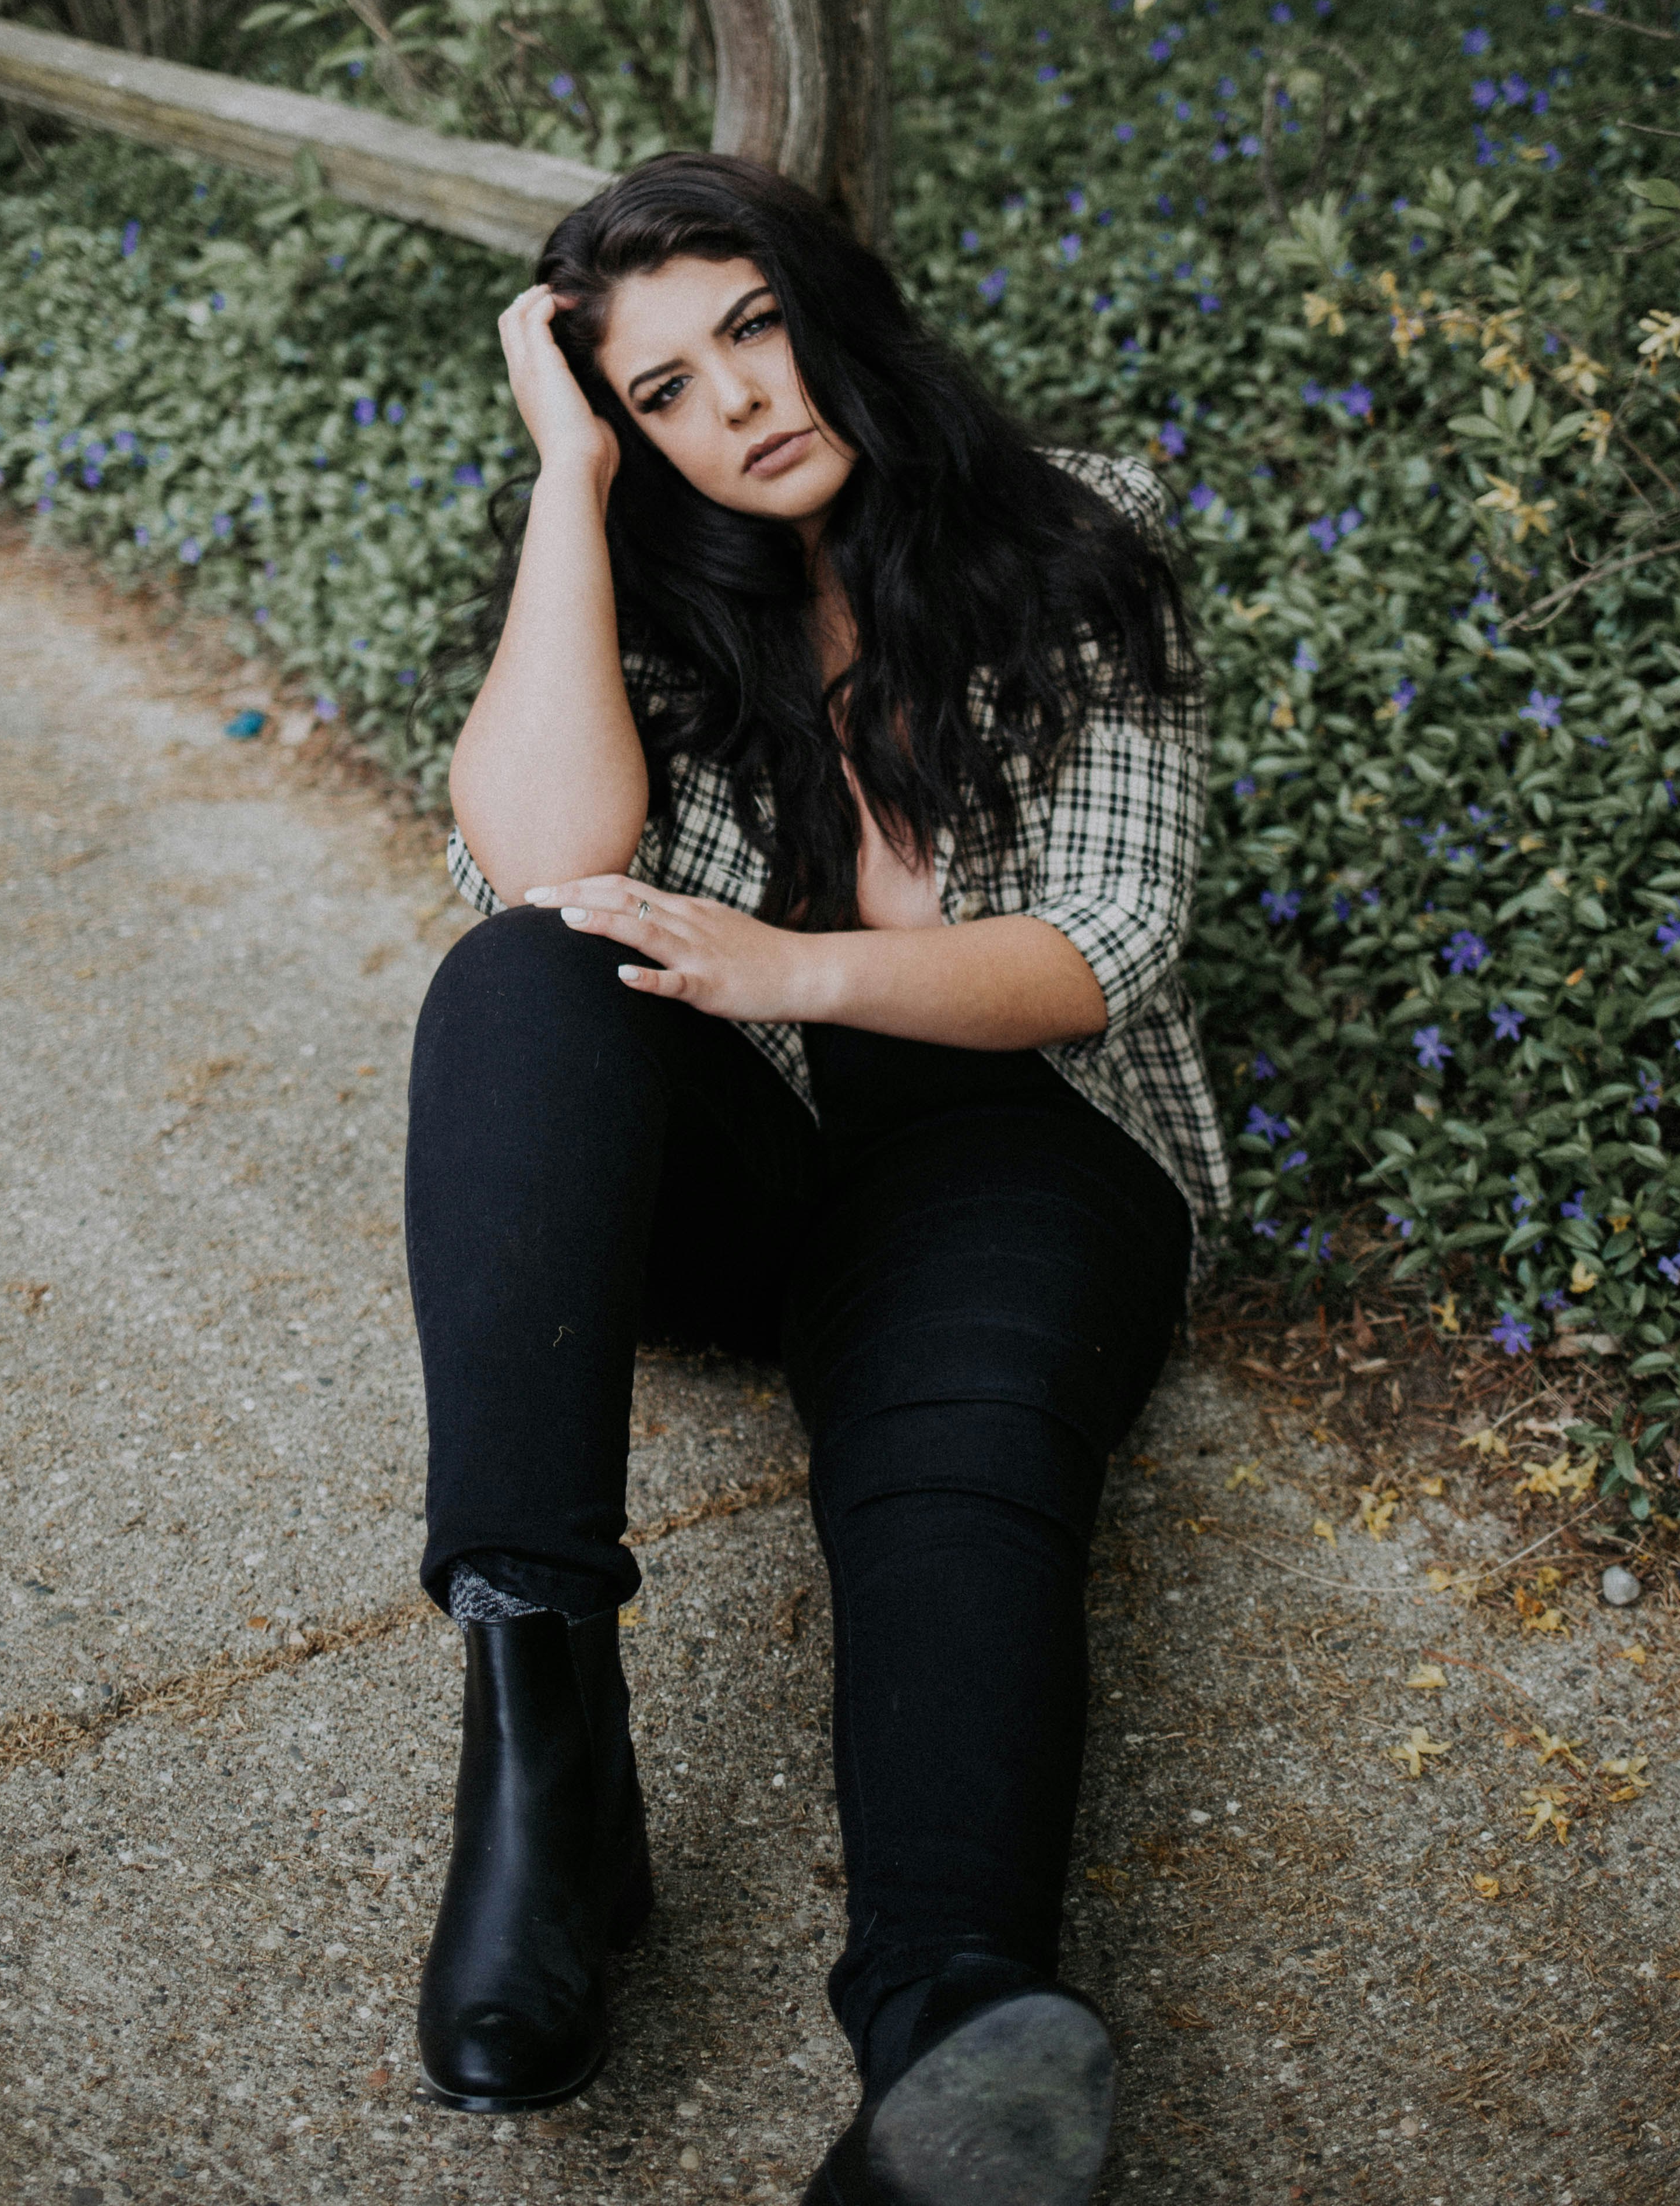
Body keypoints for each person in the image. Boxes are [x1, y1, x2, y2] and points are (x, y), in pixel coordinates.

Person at [401, 150, 1230, 2206]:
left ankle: (956, 2034)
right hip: (760, 1159)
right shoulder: (659, 589)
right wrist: (565, 492)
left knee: (954, 1468)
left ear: (831, 305)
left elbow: (1104, 942)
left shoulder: (1072, 524)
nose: (737, 406)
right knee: (522, 979)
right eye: (661, 389)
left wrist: (794, 963)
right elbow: (528, 860)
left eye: (752, 331)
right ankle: (543, 1742)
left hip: (1026, 1154)